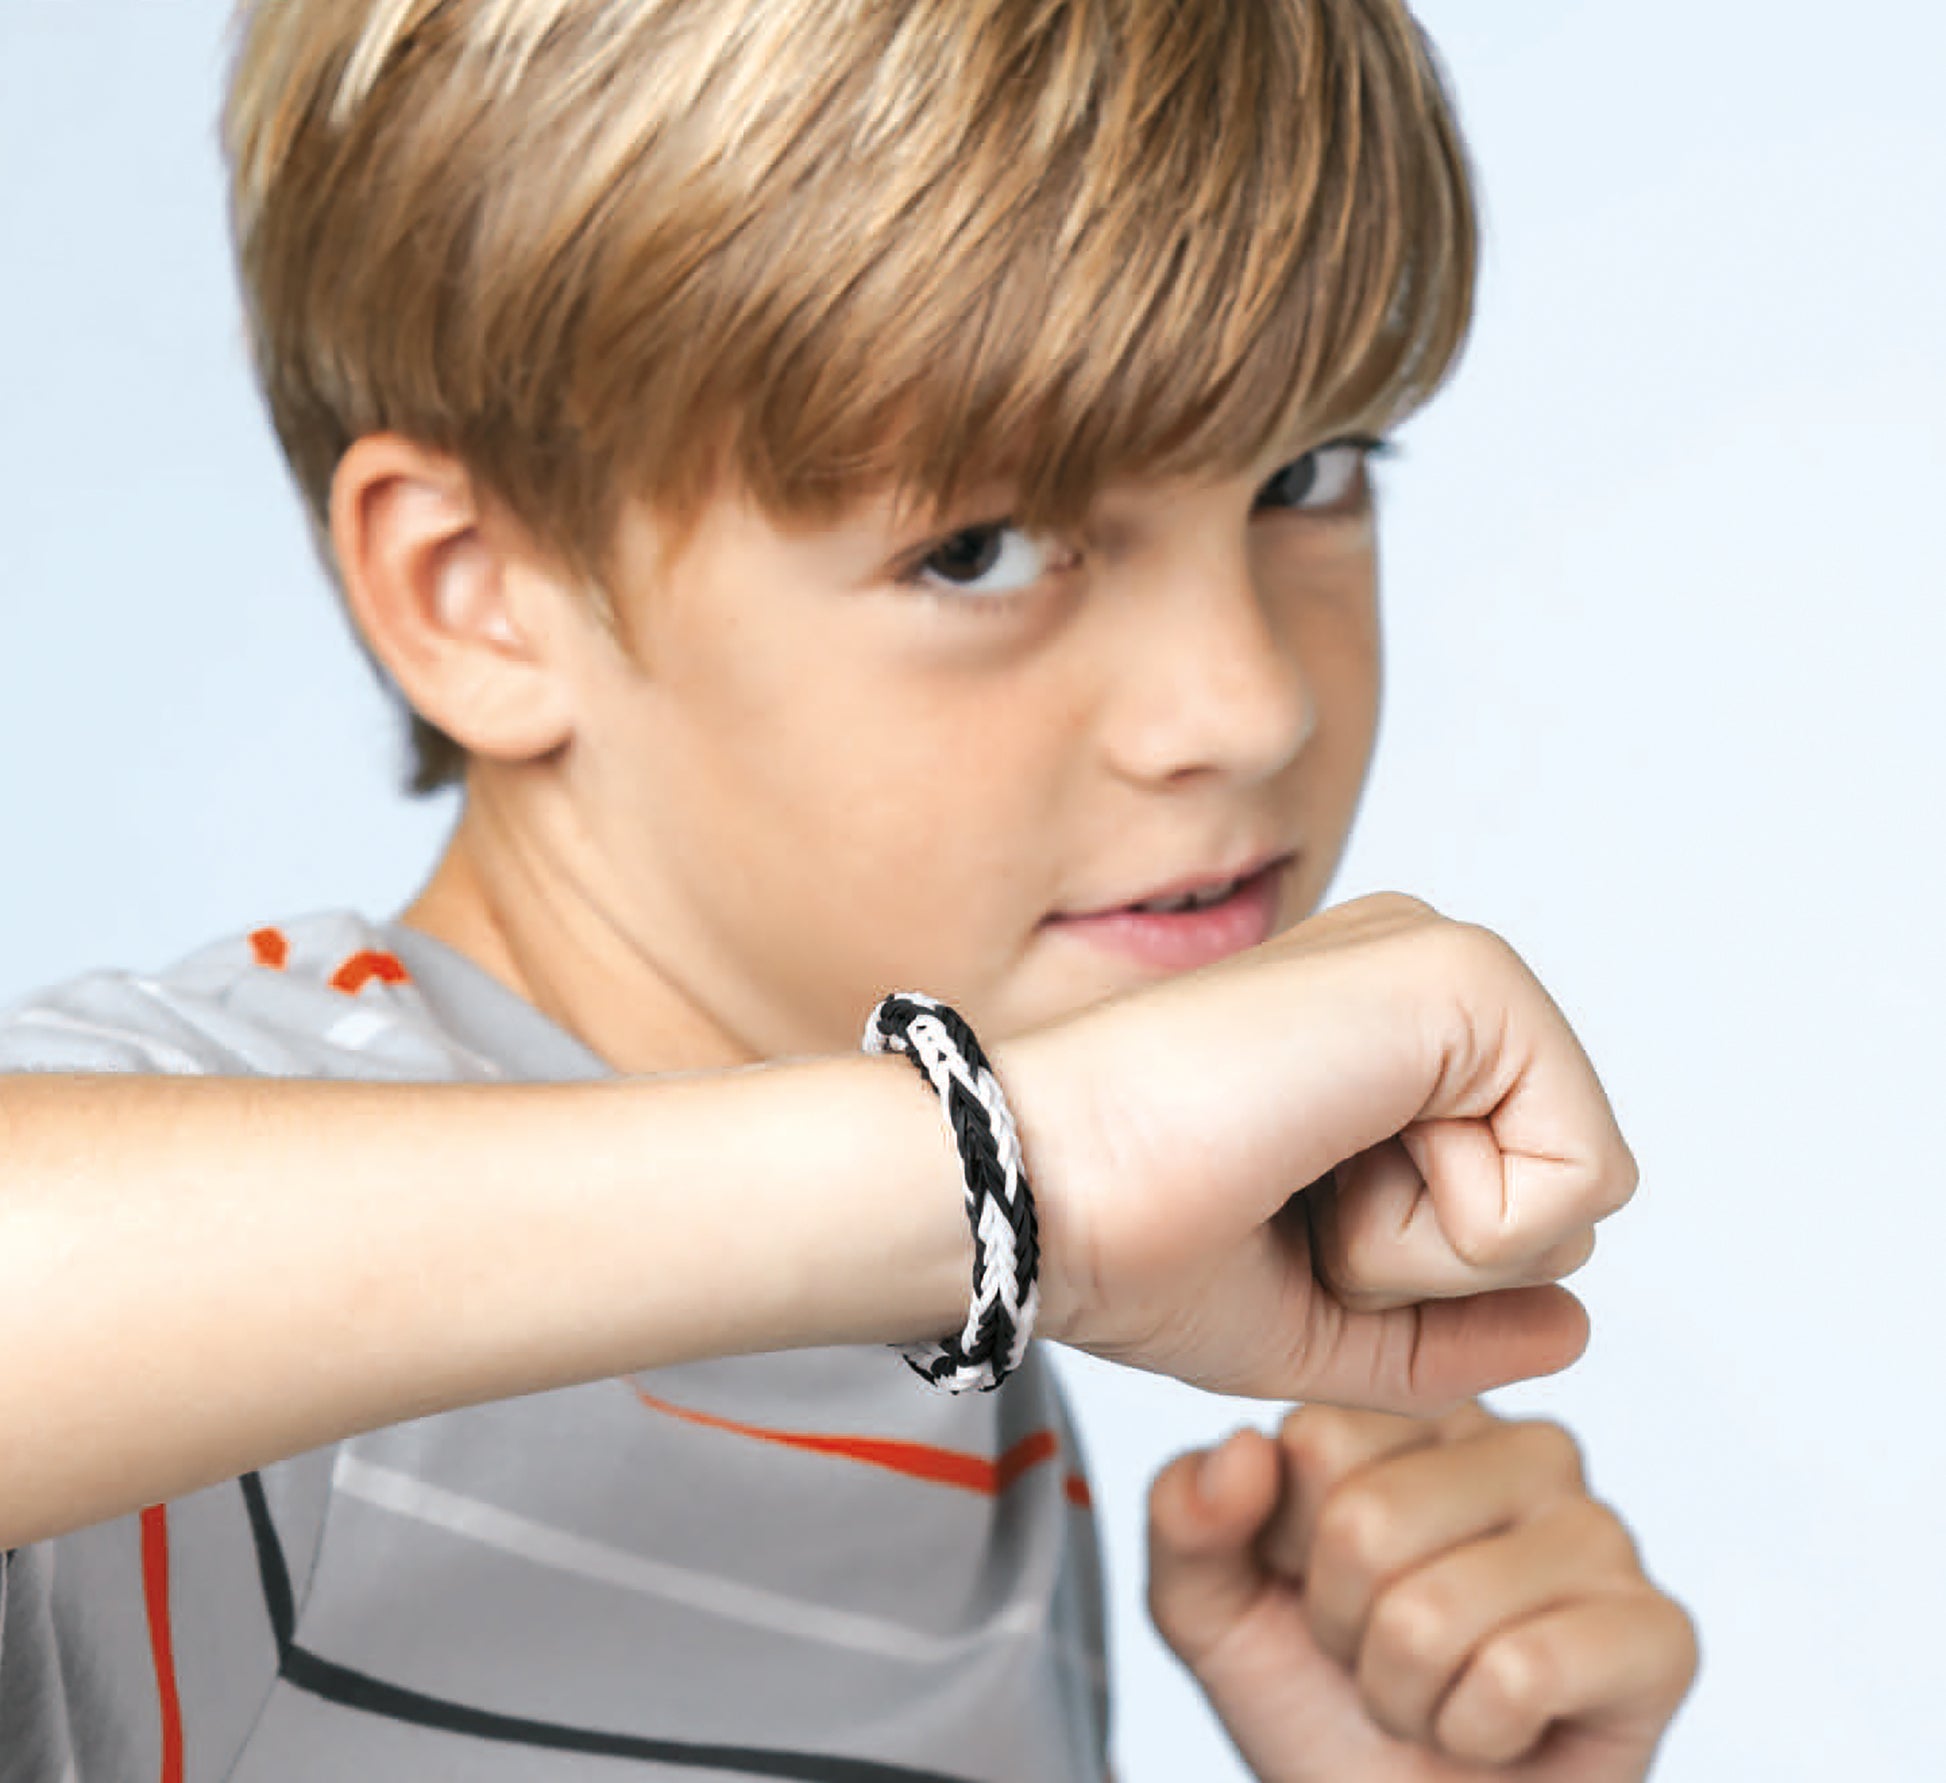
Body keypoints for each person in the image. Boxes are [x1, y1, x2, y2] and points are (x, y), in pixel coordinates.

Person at [0, 1, 1697, 1779]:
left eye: (1309, 473)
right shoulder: (234, 1315)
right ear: (478, 593)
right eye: (976, 547)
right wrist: (1002, 1175)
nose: (1246, 700)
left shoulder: (951, 1357)